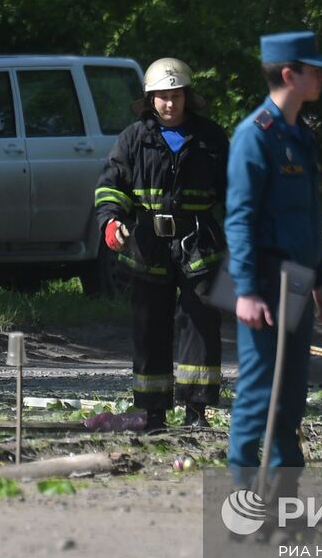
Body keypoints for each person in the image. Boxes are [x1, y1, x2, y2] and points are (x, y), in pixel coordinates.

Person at [225, 31, 322, 488]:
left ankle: (283, 501)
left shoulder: (300, 136)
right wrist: (246, 291)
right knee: (258, 394)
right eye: (315, 70)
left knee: (291, 396)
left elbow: (309, 215)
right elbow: (240, 218)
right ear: (289, 74)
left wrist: (321, 280)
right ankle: (243, 505)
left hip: (296, 277)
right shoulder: (256, 136)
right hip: (267, 279)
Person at [95, 58, 230, 431]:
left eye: (176, 96)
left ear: (187, 97)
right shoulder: (133, 138)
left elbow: (235, 193)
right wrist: (111, 222)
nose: (169, 104)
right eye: (162, 97)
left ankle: (197, 411)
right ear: (150, 99)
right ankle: (154, 412)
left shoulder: (212, 139)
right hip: (148, 247)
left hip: (199, 246)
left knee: (200, 325)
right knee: (149, 327)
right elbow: (110, 186)